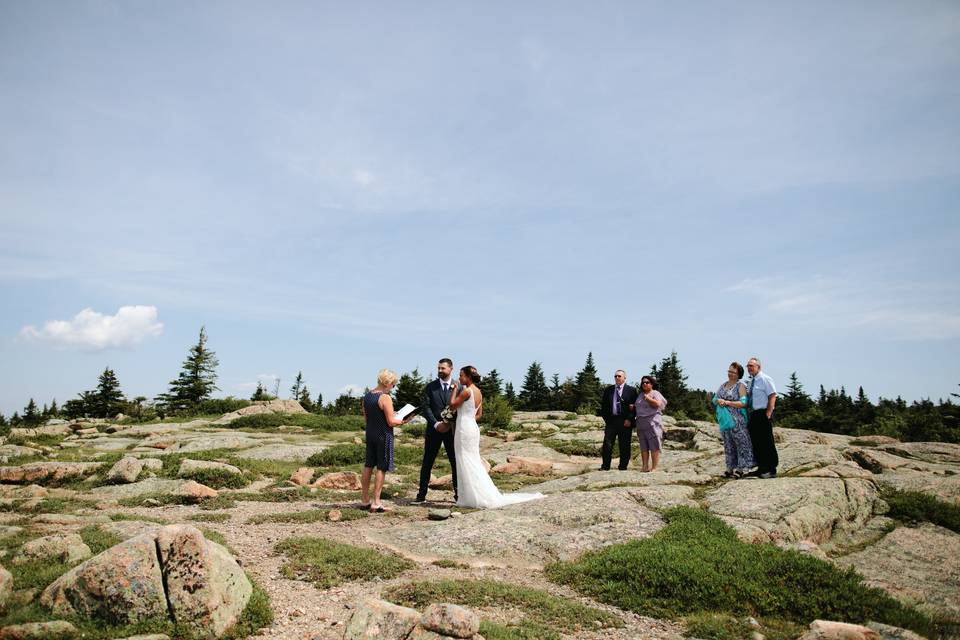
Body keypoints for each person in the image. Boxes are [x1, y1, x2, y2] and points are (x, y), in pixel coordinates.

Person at [449, 365, 544, 508]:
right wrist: (468, 418)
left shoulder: (466, 391)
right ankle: (473, 495)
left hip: (463, 429)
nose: (459, 378)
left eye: (461, 375)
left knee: (464, 460)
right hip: (472, 427)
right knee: (471, 459)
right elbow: (479, 414)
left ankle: (470, 497)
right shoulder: (478, 392)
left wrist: (454, 389)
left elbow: (452, 405)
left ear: (468, 377)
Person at [360, 368, 414, 512]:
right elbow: (390, 422)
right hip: (383, 435)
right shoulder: (385, 397)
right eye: (393, 385)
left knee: (368, 465)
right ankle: (376, 502)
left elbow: (367, 418)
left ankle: (365, 500)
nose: (393, 388)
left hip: (370, 433)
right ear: (387, 383)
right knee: (381, 467)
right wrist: (404, 420)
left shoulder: (367, 396)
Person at [415, 358, 458, 503]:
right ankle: (421, 495)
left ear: (451, 369)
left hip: (452, 431)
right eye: (438, 368)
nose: (440, 371)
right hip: (433, 430)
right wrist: (435, 424)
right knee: (427, 462)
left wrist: (449, 423)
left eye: (443, 368)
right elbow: (425, 407)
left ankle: (458, 496)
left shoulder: (458, 386)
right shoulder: (430, 387)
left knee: (455, 462)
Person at [712, 362, 755, 478]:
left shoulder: (740, 386)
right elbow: (714, 399)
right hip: (725, 421)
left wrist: (727, 402)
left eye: (733, 372)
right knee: (728, 444)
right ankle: (729, 468)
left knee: (741, 443)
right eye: (729, 371)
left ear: (738, 374)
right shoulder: (723, 385)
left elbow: (744, 403)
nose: (730, 374)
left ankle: (742, 468)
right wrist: (718, 401)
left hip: (737, 420)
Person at [598, 370, 639, 470]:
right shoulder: (608, 390)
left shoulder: (631, 390)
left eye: (619, 376)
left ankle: (623, 466)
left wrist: (629, 419)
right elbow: (604, 406)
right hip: (611, 421)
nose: (617, 378)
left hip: (625, 421)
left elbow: (635, 407)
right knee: (607, 444)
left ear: (624, 378)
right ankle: (605, 466)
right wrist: (607, 419)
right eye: (615, 376)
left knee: (624, 444)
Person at [745, 357, 778, 479]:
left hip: (764, 412)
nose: (749, 368)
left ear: (758, 367)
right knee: (756, 442)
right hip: (754, 414)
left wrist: (769, 412)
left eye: (751, 366)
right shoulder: (751, 382)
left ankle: (771, 469)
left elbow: (772, 395)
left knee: (766, 442)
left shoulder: (765, 379)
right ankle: (761, 467)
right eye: (748, 366)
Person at [634, 375, 667, 472]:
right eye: (643, 382)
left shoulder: (655, 393)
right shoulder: (640, 394)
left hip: (652, 422)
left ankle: (654, 467)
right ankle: (644, 466)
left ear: (651, 384)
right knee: (643, 446)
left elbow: (658, 404)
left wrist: (648, 399)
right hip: (641, 423)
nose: (644, 384)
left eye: (647, 382)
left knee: (654, 445)